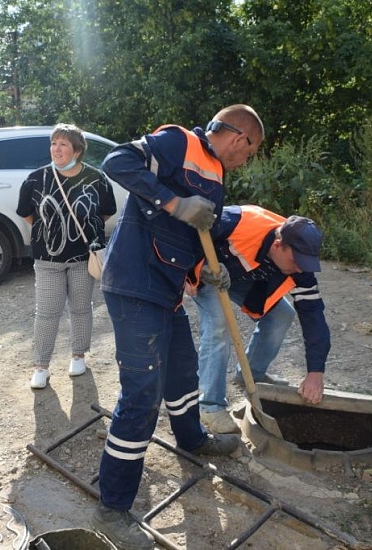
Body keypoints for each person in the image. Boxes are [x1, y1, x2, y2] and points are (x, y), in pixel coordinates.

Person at [91, 105, 264, 550]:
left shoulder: (218, 177)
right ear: (239, 139)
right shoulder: (179, 142)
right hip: (133, 284)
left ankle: (192, 439)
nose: (247, 160)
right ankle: (112, 505)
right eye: (250, 151)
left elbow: (194, 238)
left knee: (183, 373)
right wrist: (173, 202)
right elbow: (117, 162)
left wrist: (209, 271)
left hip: (166, 291)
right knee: (142, 395)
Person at [190, 205, 330, 434]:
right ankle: (210, 405)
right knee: (218, 324)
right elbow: (188, 233)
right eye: (297, 261)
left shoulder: (300, 266)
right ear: (278, 245)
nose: (299, 268)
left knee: (282, 314)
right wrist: (195, 268)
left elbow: (314, 315)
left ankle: (250, 375)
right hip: (211, 274)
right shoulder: (238, 221)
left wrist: (316, 372)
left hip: (243, 277)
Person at [16, 123, 117, 390]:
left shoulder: (96, 179)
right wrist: (49, 233)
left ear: (77, 150)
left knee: (82, 308)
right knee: (47, 312)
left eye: (63, 144)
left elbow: (105, 212)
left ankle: (78, 355)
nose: (56, 149)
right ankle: (41, 366)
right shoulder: (36, 178)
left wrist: (81, 230)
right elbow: (27, 213)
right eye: (53, 143)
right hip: (47, 259)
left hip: (84, 257)